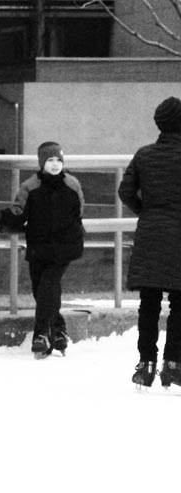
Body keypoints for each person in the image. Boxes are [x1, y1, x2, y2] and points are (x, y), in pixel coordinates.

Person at [0, 142, 85, 358]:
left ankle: (41, 335)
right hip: (40, 246)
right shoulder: (30, 186)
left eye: (58, 160)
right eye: (50, 160)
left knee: (48, 285)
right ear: (41, 163)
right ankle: (58, 330)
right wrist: (0, 216)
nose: (55, 165)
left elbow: (79, 211)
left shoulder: (72, 184)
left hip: (65, 246)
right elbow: (19, 213)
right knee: (41, 290)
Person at [119, 96, 181, 389]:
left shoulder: (144, 155)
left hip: (151, 234)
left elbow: (125, 190)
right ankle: (174, 365)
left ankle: (146, 365)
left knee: (149, 303)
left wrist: (147, 212)